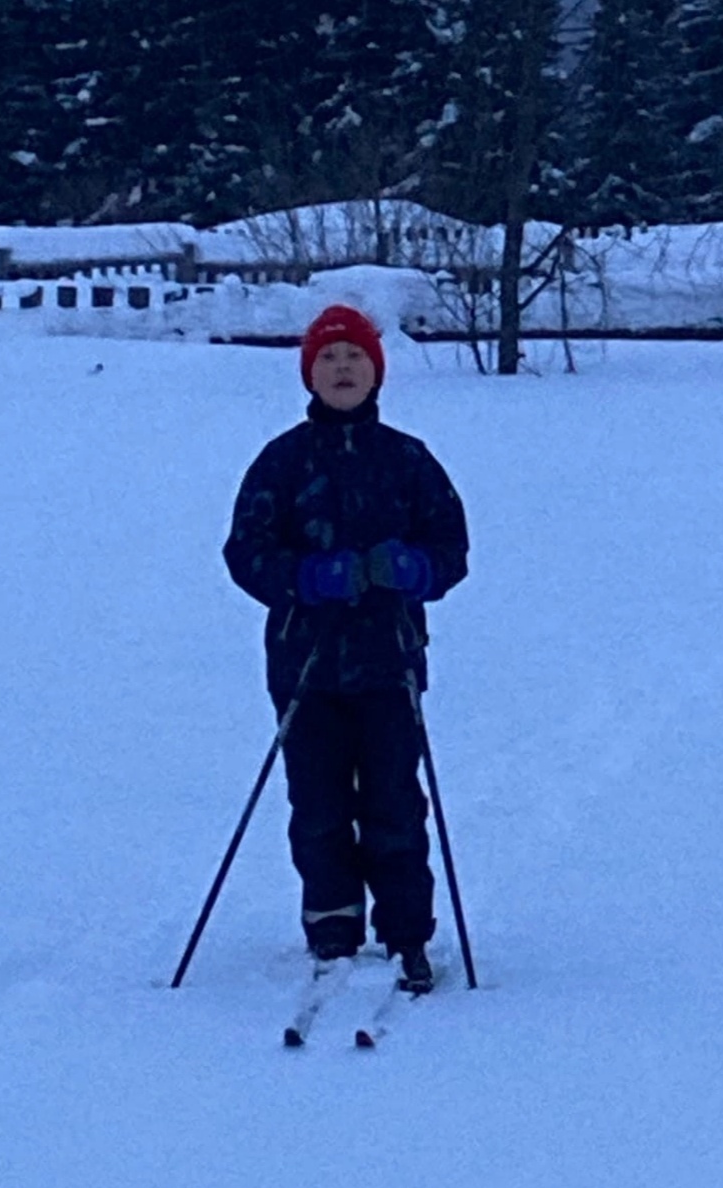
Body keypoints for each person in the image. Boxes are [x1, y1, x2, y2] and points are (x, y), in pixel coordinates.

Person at [223, 304, 469, 993]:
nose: (342, 369)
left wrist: (413, 569)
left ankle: (406, 933)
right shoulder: (282, 461)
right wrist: (305, 578)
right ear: (309, 372)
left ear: (376, 371)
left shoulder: (408, 460)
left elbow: (452, 549)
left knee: (394, 800)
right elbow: (245, 553)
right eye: (328, 358)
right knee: (319, 805)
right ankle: (332, 927)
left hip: (390, 661)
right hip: (306, 664)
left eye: (354, 357)